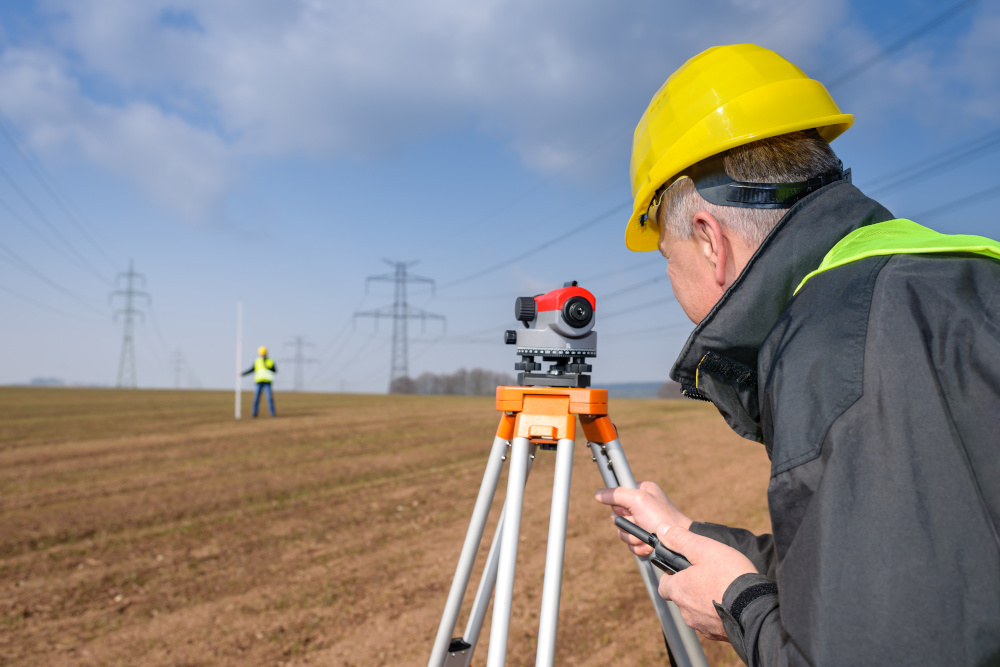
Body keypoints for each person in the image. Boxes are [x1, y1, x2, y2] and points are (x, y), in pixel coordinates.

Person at [594, 44, 1000, 666]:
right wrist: (686, 539)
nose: (674, 289)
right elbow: (910, 567)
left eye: (666, 264)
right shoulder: (948, 282)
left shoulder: (841, 347)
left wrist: (739, 607)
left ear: (707, 240)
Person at [242, 345, 278, 417]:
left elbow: (275, 370)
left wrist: (268, 367)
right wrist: (243, 374)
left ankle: (272, 413)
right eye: (262, 354)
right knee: (256, 399)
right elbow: (252, 369)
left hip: (267, 383)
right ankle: (254, 413)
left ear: (266, 354)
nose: (263, 355)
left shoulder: (270, 361)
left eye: (264, 354)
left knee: (269, 398)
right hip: (258, 382)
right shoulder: (257, 361)